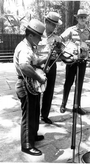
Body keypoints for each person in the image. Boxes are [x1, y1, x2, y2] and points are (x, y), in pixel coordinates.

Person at [14, 19, 48, 156]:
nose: (40, 39)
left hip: (29, 84)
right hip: (25, 84)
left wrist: (46, 58)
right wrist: (39, 78)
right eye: (39, 36)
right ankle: (27, 145)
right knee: (28, 115)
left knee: (34, 112)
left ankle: (32, 135)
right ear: (31, 35)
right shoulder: (25, 48)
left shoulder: (29, 46)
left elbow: (34, 61)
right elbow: (24, 66)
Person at [60, 9, 90, 115]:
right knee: (68, 83)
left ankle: (77, 106)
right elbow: (60, 39)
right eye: (81, 17)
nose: (83, 19)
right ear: (77, 18)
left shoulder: (89, 32)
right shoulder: (71, 30)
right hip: (72, 61)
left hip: (82, 61)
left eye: (84, 17)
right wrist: (66, 52)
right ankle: (63, 104)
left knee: (79, 84)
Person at [38, 11, 62, 124]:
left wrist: (59, 49)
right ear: (46, 22)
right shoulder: (37, 33)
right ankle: (34, 115)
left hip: (52, 65)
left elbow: (61, 54)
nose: (54, 27)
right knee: (36, 90)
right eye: (52, 24)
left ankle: (44, 115)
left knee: (49, 90)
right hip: (38, 64)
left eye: (55, 25)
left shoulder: (56, 37)